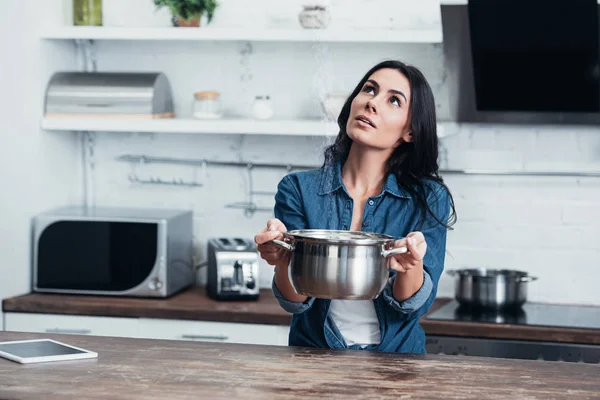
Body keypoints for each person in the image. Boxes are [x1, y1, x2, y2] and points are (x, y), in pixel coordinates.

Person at [254, 60, 457, 353]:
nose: (372, 103)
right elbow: (293, 302)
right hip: (314, 358)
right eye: (369, 89)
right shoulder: (298, 189)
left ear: (410, 131)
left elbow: (411, 306)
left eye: (393, 100)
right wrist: (282, 257)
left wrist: (410, 266)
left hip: (397, 363)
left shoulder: (428, 197)